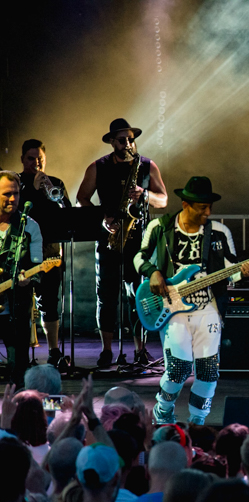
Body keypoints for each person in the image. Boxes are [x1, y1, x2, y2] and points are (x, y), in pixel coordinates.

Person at [134, 175, 249, 424]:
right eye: (203, 207)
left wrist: (245, 271)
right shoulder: (160, 227)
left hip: (207, 308)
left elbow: (231, 271)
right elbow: (139, 257)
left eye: (210, 207)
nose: (208, 212)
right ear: (185, 204)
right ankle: (163, 411)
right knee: (178, 369)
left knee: (209, 371)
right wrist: (154, 273)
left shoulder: (219, 232)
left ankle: (198, 421)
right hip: (173, 308)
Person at [76, 118, 168, 367]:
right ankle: (107, 350)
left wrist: (144, 194)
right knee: (105, 295)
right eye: (121, 140)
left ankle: (140, 349)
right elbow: (81, 198)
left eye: (130, 139)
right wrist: (101, 219)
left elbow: (164, 200)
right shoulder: (98, 166)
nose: (127, 143)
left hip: (138, 239)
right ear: (112, 142)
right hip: (109, 237)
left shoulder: (147, 165)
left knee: (136, 294)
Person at [18, 139, 71, 368]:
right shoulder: (16, 182)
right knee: (21, 303)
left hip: (50, 251)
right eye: (31, 158)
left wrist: (48, 190)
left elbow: (68, 212)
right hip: (23, 252)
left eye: (40, 158)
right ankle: (20, 353)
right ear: (22, 159)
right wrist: (32, 188)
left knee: (50, 301)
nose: (36, 163)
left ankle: (54, 351)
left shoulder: (55, 183)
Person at [0, 171, 43, 387]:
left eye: (16, 194)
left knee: (19, 365)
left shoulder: (30, 227)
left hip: (16, 305)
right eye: (7, 194)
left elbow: (38, 267)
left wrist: (30, 279)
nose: (13, 199)